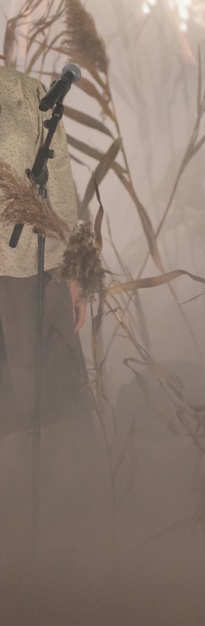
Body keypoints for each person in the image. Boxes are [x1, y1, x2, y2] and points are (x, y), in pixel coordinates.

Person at [0, 63, 87, 437]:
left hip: (27, 275)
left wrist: (71, 273)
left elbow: (62, 191)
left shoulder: (28, 91)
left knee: (51, 420)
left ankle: (49, 494)